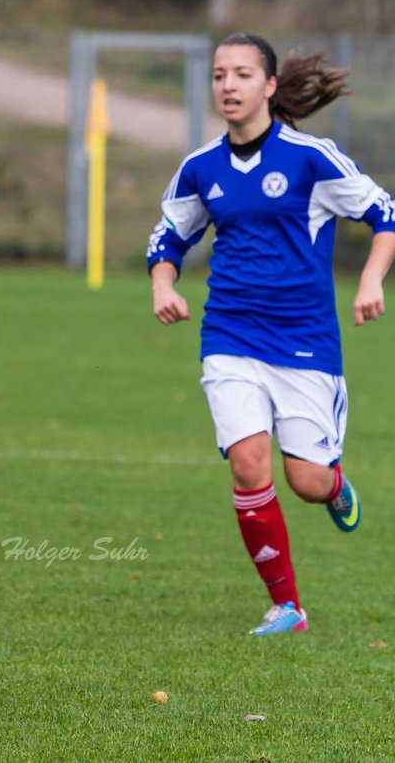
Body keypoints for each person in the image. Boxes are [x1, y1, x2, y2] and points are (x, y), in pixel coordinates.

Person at [147, 32, 395, 635]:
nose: (227, 85)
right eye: (218, 75)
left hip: (306, 341)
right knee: (248, 466)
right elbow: (169, 238)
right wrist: (164, 285)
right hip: (229, 335)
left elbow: (384, 215)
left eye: (240, 74)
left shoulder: (311, 158)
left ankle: (333, 486)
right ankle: (287, 605)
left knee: (305, 480)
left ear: (269, 85)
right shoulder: (200, 167)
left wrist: (370, 281)